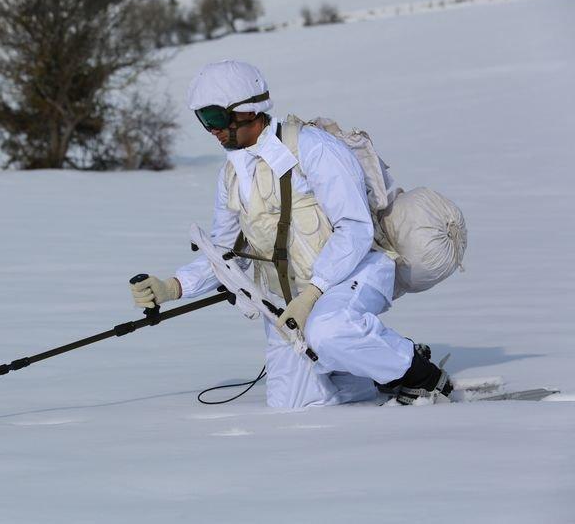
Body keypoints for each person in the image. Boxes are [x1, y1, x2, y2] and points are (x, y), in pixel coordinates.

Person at [130, 60, 452, 408]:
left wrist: (313, 293)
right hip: (292, 300)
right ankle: (375, 365)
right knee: (292, 403)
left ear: (247, 111)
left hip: (355, 272)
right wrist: (172, 287)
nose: (212, 130)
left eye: (215, 118)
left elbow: (355, 228)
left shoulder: (313, 148)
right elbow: (226, 253)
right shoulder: (232, 176)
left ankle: (424, 378)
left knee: (328, 330)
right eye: (203, 120)